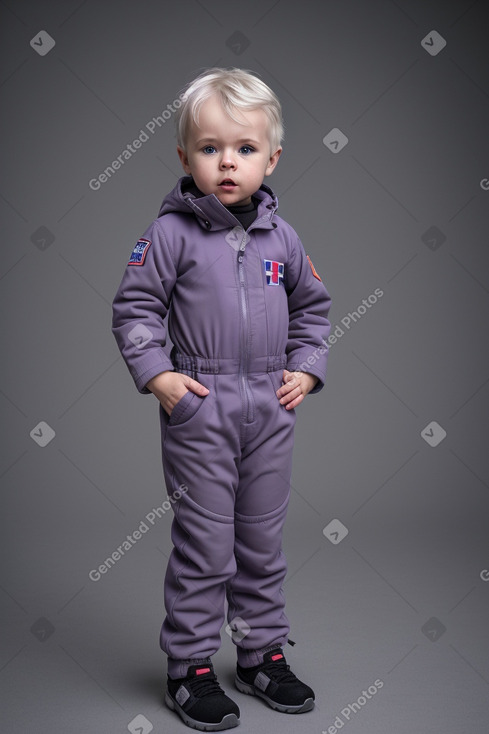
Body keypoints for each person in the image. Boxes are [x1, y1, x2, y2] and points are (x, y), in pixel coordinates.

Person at [111, 67, 332, 731]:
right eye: (209, 149)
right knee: (206, 543)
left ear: (271, 157)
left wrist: (307, 369)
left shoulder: (282, 239)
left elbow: (314, 311)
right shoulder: (170, 235)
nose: (226, 162)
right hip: (200, 407)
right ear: (185, 158)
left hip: (269, 408)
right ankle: (190, 666)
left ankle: (261, 652)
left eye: (242, 148)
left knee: (261, 541)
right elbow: (135, 309)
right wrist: (160, 377)